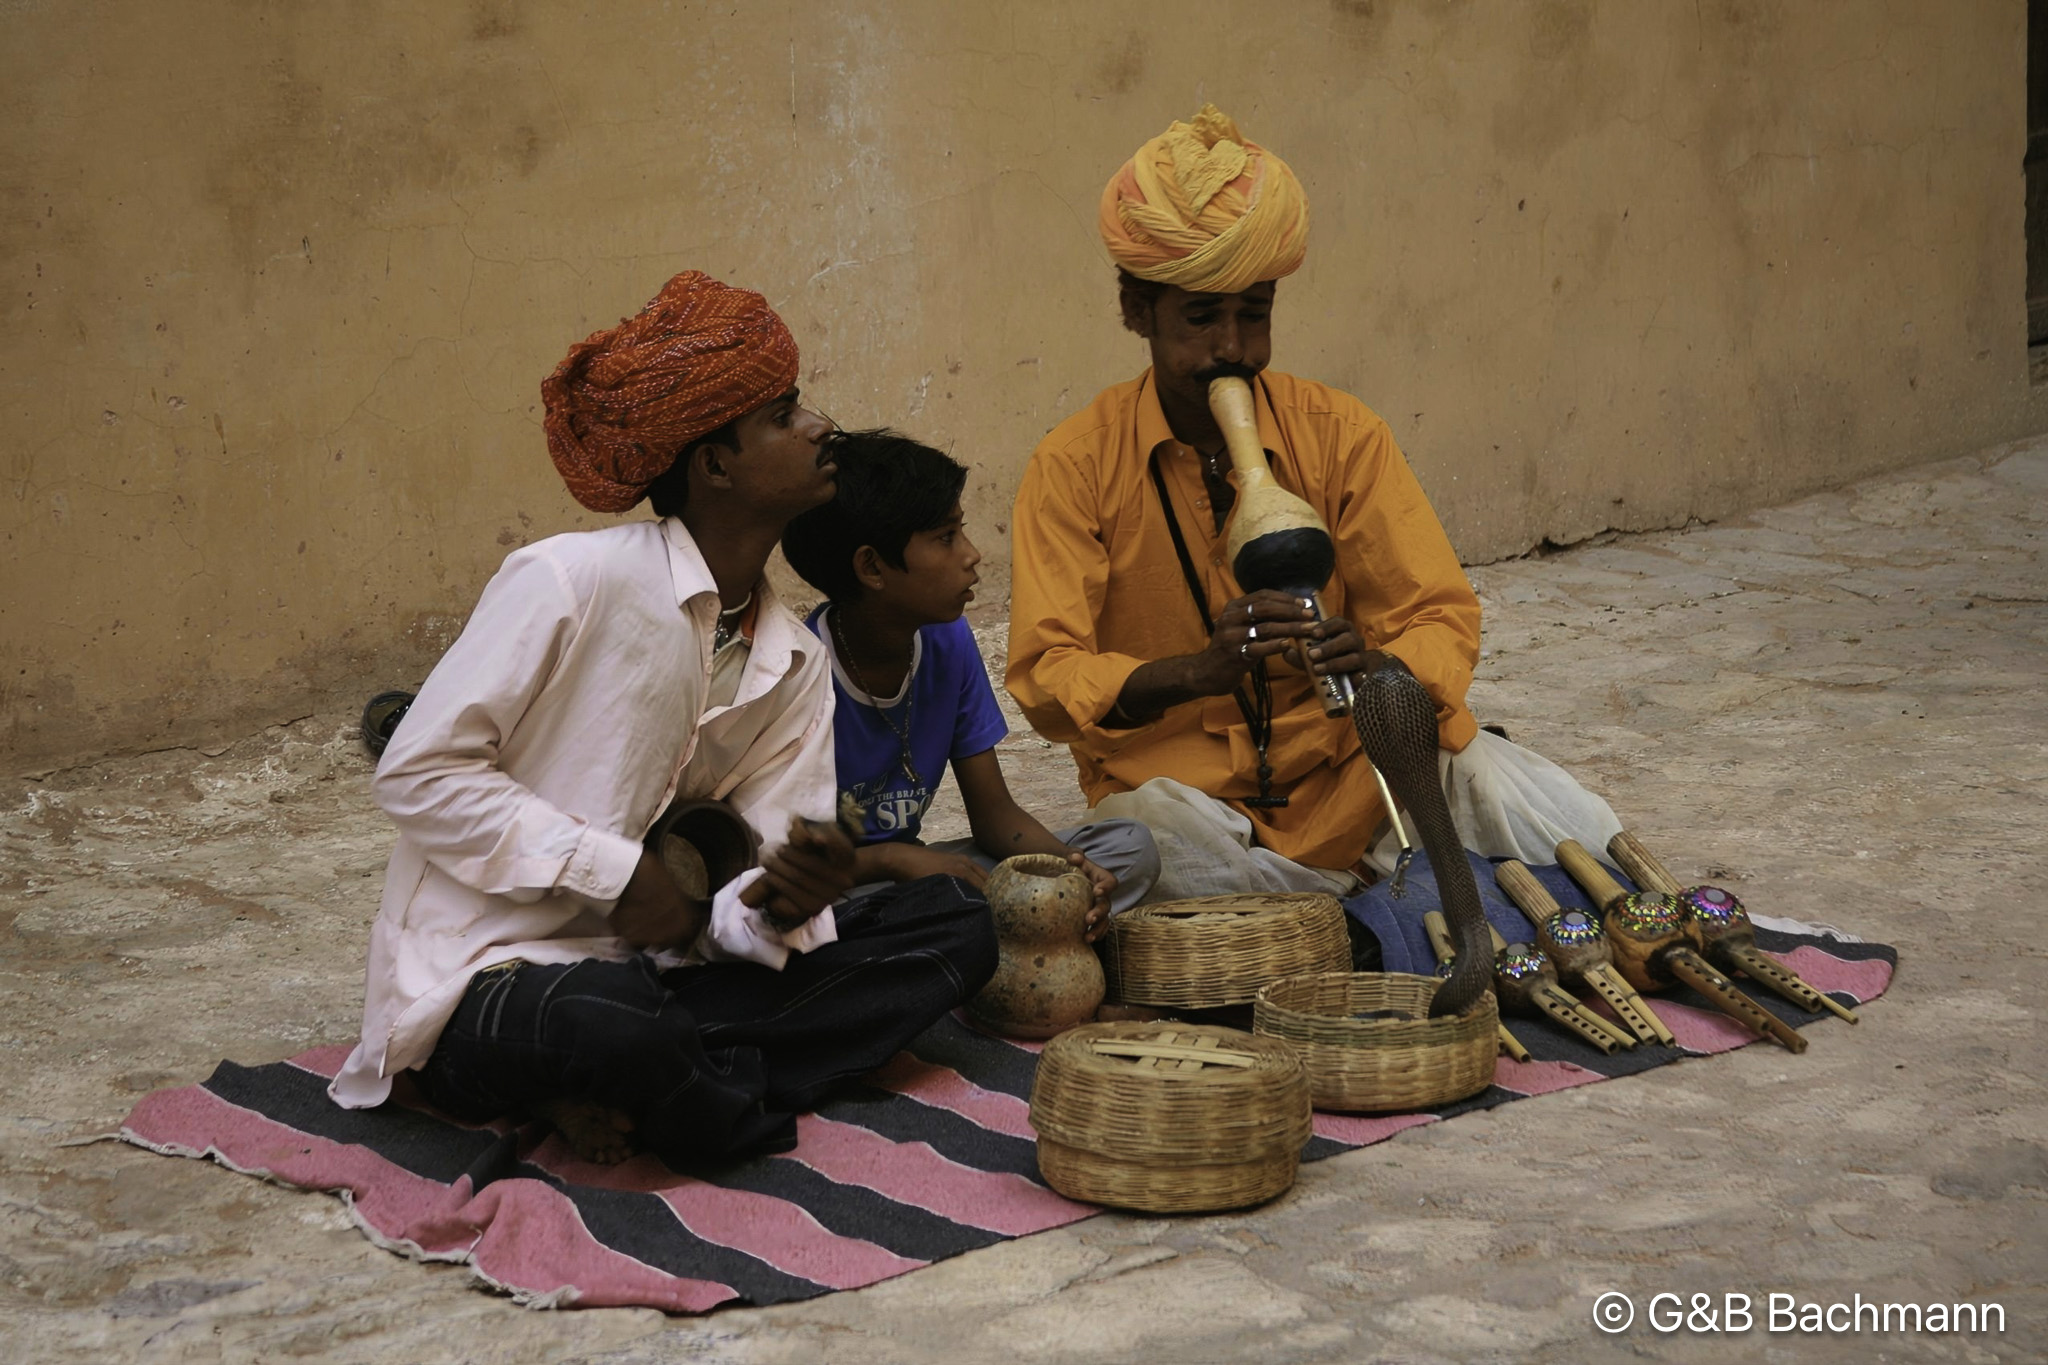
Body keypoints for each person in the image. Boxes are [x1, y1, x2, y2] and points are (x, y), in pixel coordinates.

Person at [329, 272, 996, 1167]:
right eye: (784, 415)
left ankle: (662, 1089)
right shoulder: (566, 580)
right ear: (715, 464)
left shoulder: (794, 662)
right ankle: (686, 1085)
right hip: (495, 973)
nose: (819, 428)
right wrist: (613, 872)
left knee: (955, 922)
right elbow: (416, 773)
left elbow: (735, 910)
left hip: (670, 983)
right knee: (607, 1023)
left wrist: (785, 896)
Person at [1006, 105, 1622, 904]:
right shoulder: (1074, 464)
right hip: (1191, 795)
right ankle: (1386, 907)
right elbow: (1047, 676)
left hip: (1351, 768)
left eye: (1253, 315)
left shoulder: (1340, 434)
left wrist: (1373, 665)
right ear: (1137, 312)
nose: (1232, 347)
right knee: (1147, 849)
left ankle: (1349, 907)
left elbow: (1438, 615)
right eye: (1201, 316)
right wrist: (1196, 671)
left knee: (1567, 822)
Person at [779, 429, 1159, 941]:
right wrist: (892, 858)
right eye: (945, 537)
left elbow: (995, 816)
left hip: (920, 882)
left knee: (1130, 847)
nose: (973, 553)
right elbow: (778, 873)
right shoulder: (796, 673)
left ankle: (983, 941)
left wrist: (1072, 870)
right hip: (842, 892)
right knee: (848, 922)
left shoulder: (947, 639)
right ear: (872, 567)